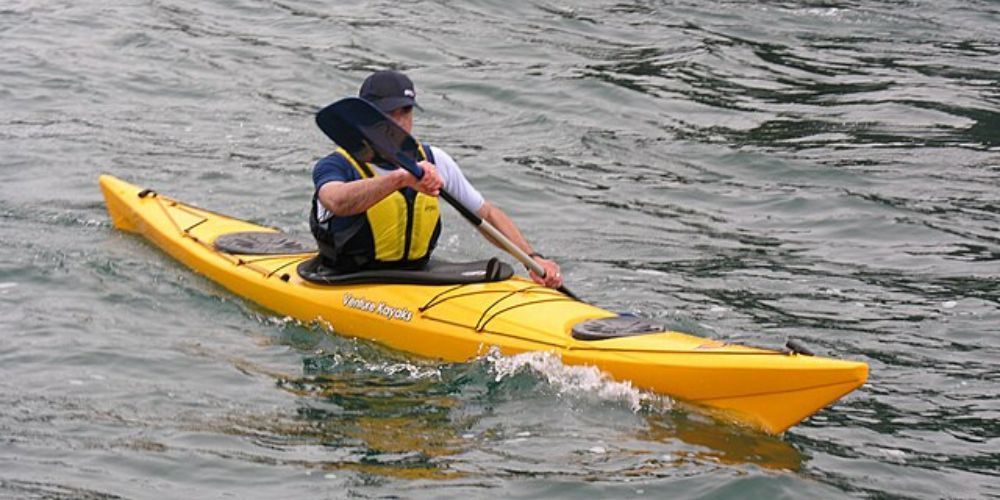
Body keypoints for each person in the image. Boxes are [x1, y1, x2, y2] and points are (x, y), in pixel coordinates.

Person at [310, 70, 563, 289]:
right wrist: (400, 179)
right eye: (390, 114)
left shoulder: (434, 160)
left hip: (417, 278)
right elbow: (337, 201)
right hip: (348, 279)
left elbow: (486, 215)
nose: (400, 123)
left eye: (406, 111)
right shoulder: (336, 165)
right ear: (367, 119)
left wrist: (531, 258)